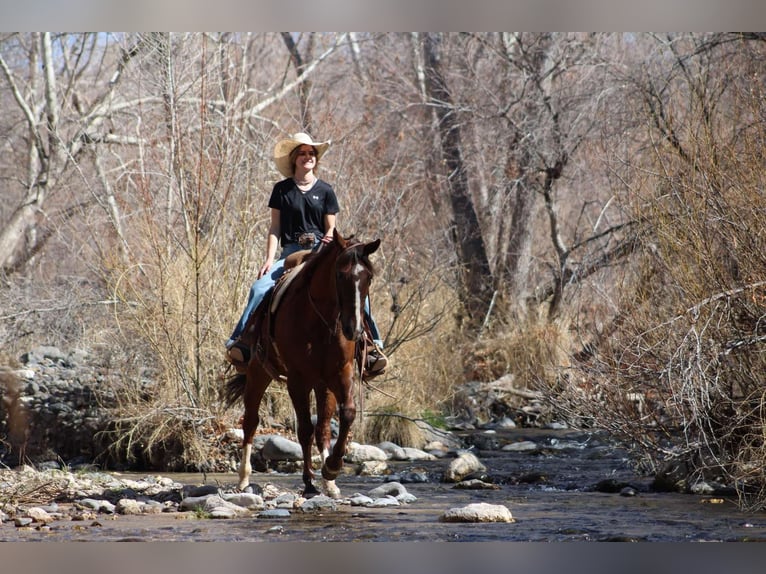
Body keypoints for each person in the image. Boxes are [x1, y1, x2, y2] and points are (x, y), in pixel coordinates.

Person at [226, 132, 388, 376]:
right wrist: (269, 260)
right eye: (302, 153)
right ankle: (242, 342)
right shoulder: (281, 190)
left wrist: (329, 238)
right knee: (259, 288)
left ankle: (372, 347)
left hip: (320, 252)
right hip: (290, 251)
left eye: (311, 153)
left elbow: (331, 226)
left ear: (316, 158)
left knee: (357, 293)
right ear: (294, 159)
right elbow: (275, 228)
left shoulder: (325, 190)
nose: (307, 157)